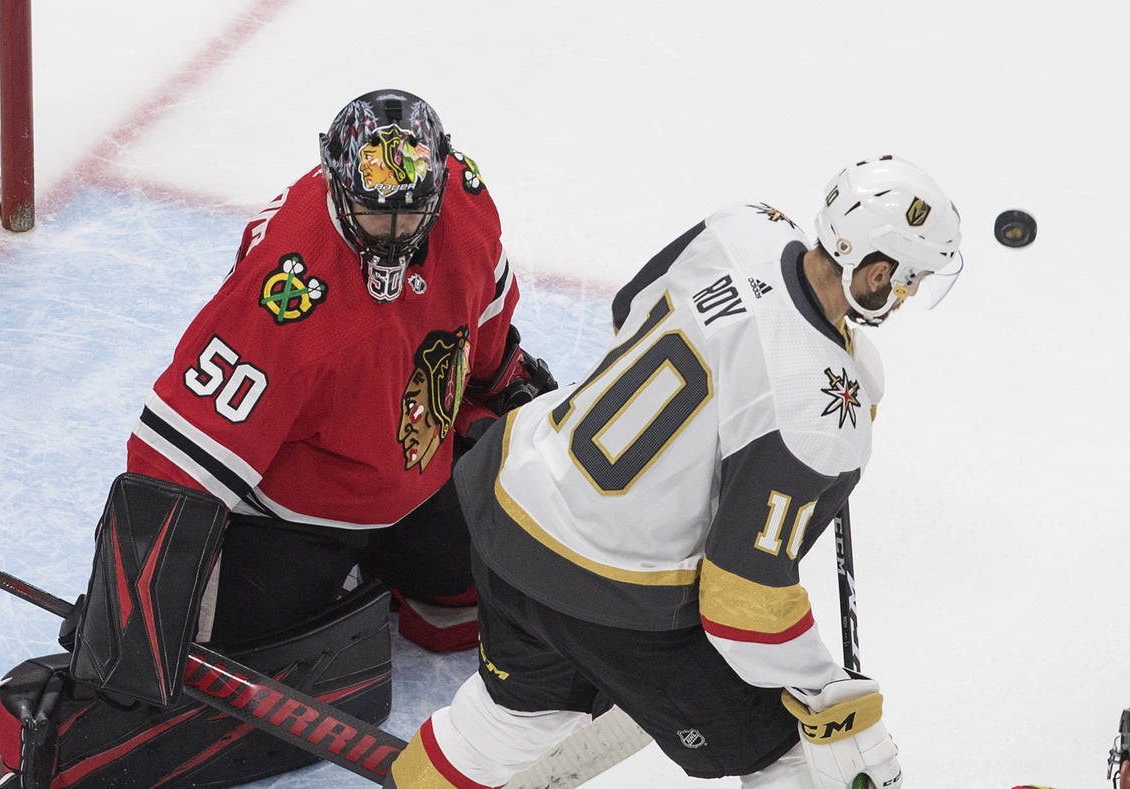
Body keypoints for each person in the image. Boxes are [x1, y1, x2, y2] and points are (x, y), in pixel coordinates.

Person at [0, 88, 554, 789]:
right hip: (295, 517)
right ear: (333, 181)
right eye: (374, 211)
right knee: (168, 687)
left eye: (410, 210)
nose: (393, 232)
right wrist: (134, 609)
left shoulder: (466, 204)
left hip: (418, 475)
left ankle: (389, 574)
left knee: (513, 573)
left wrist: (510, 387)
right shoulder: (288, 288)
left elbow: (488, 329)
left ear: (441, 180)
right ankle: (17, 744)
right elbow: (174, 457)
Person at [385, 156, 963, 788]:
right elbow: (743, 602)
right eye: (909, 279)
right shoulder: (823, 411)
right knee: (790, 753)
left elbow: (630, 307)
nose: (906, 295)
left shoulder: (745, 227)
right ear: (877, 270)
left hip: (514, 501)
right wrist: (828, 695)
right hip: (609, 587)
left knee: (510, 720)